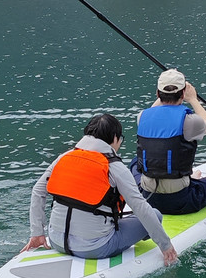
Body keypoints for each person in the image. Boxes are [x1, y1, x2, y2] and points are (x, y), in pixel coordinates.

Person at [24, 112, 178, 266]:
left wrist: (37, 232)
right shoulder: (114, 167)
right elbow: (140, 207)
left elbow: (38, 191)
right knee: (155, 215)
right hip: (96, 247)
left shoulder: (64, 157)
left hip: (56, 241)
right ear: (115, 139)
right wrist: (166, 245)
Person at [130, 68, 206, 215]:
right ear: (183, 94)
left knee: (134, 162)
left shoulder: (142, 116)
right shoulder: (190, 122)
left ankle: (193, 179)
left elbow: (154, 110)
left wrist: (167, 87)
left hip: (148, 197)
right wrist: (193, 99)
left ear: (157, 93)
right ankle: (202, 180)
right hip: (181, 201)